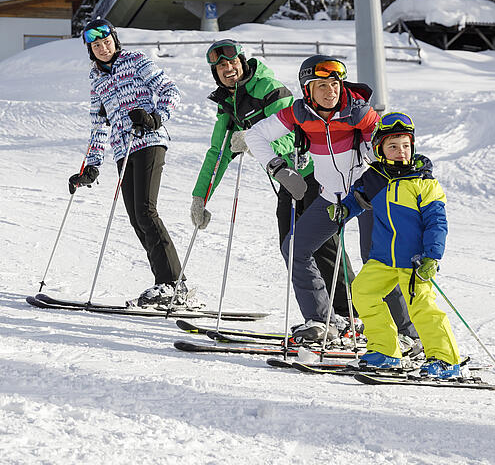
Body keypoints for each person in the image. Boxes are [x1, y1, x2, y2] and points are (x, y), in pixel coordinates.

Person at [244, 55, 421, 348]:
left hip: (368, 196)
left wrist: (371, 181)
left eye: (335, 84)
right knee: (295, 248)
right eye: (322, 85)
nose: (331, 91)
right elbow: (255, 135)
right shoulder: (299, 113)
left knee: (377, 261)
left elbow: (386, 153)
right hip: (331, 197)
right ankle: (320, 321)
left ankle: (408, 334)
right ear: (307, 89)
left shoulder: (358, 113)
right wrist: (278, 168)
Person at [189, 39, 352, 320]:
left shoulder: (268, 89)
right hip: (287, 180)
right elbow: (218, 153)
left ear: (242, 61)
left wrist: (255, 143)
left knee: (325, 247)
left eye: (233, 62)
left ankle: (350, 312)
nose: (228, 69)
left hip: (315, 174)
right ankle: (322, 316)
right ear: (215, 73)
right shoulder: (227, 103)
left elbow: (295, 134)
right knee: (290, 246)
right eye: (221, 66)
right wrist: (200, 197)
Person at [328, 112, 463, 378]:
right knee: (363, 292)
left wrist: (432, 256)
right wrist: (344, 209)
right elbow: (357, 198)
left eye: (405, 145)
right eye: (393, 146)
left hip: (414, 260)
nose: (401, 151)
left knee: (422, 308)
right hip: (382, 258)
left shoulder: (424, 182)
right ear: (380, 150)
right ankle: (385, 351)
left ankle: (446, 359)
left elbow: (437, 222)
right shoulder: (374, 178)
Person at [67, 17, 187, 308]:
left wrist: (155, 118)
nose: (103, 48)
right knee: (136, 217)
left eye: (106, 42)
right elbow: (98, 125)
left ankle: (173, 284)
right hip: (123, 150)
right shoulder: (97, 80)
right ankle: (165, 285)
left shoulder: (136, 61)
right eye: (96, 45)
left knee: (146, 211)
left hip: (149, 141)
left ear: (115, 40)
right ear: (90, 50)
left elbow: (171, 91)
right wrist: (91, 166)